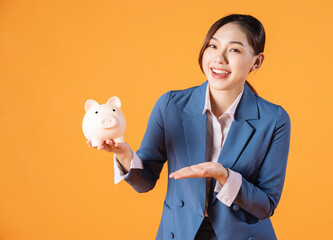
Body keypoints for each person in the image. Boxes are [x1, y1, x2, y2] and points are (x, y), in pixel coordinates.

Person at [87, 13, 291, 240]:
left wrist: (225, 176)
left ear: (257, 61)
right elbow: (144, 182)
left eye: (234, 50)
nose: (219, 58)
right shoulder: (170, 106)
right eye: (213, 45)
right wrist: (124, 155)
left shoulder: (274, 119)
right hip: (180, 233)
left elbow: (266, 205)